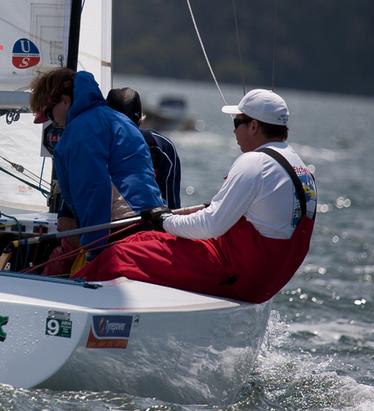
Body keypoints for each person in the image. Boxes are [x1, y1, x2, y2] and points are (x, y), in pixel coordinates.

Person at [79, 88, 317, 303]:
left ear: (254, 126)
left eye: (237, 122)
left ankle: (71, 297)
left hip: (238, 274)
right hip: (266, 280)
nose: (234, 130)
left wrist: (164, 221)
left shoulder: (255, 163)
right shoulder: (300, 167)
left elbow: (211, 225)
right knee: (140, 241)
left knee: (120, 254)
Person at [29, 69, 165, 262]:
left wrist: (94, 250)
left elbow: (94, 189)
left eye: (50, 113)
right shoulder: (112, 118)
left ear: (66, 101)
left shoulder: (82, 129)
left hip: (120, 227)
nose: (53, 121)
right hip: (144, 222)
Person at [106, 87, 182, 209]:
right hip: (151, 222)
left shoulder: (91, 146)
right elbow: (171, 207)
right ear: (141, 118)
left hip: (103, 225)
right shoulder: (162, 146)